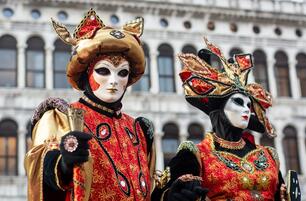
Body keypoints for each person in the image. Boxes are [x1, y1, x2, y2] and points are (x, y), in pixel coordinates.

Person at [24, 9, 155, 201]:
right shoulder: (61, 117)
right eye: (104, 71)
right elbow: (37, 169)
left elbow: (147, 189)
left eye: (122, 73)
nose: (114, 81)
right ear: (87, 73)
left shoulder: (138, 129)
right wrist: (62, 165)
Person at [151, 37, 288, 201]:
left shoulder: (268, 156)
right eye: (238, 102)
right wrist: (172, 196)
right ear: (219, 109)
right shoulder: (195, 155)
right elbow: (162, 196)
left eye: (248, 104)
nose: (246, 109)